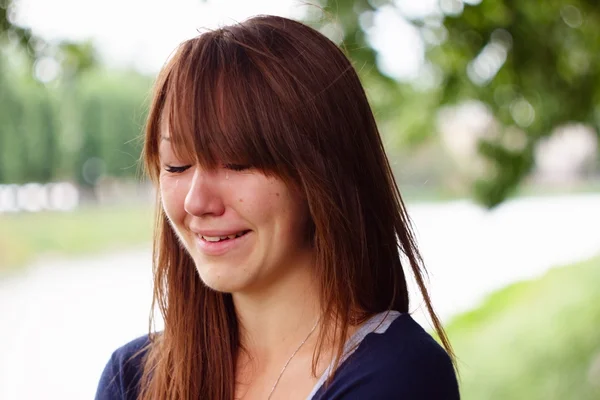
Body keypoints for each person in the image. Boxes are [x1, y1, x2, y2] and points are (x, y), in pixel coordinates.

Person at [95, 14, 459, 400]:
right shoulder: (133, 377)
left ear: (320, 173)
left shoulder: (397, 375)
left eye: (236, 162)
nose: (196, 202)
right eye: (176, 166)